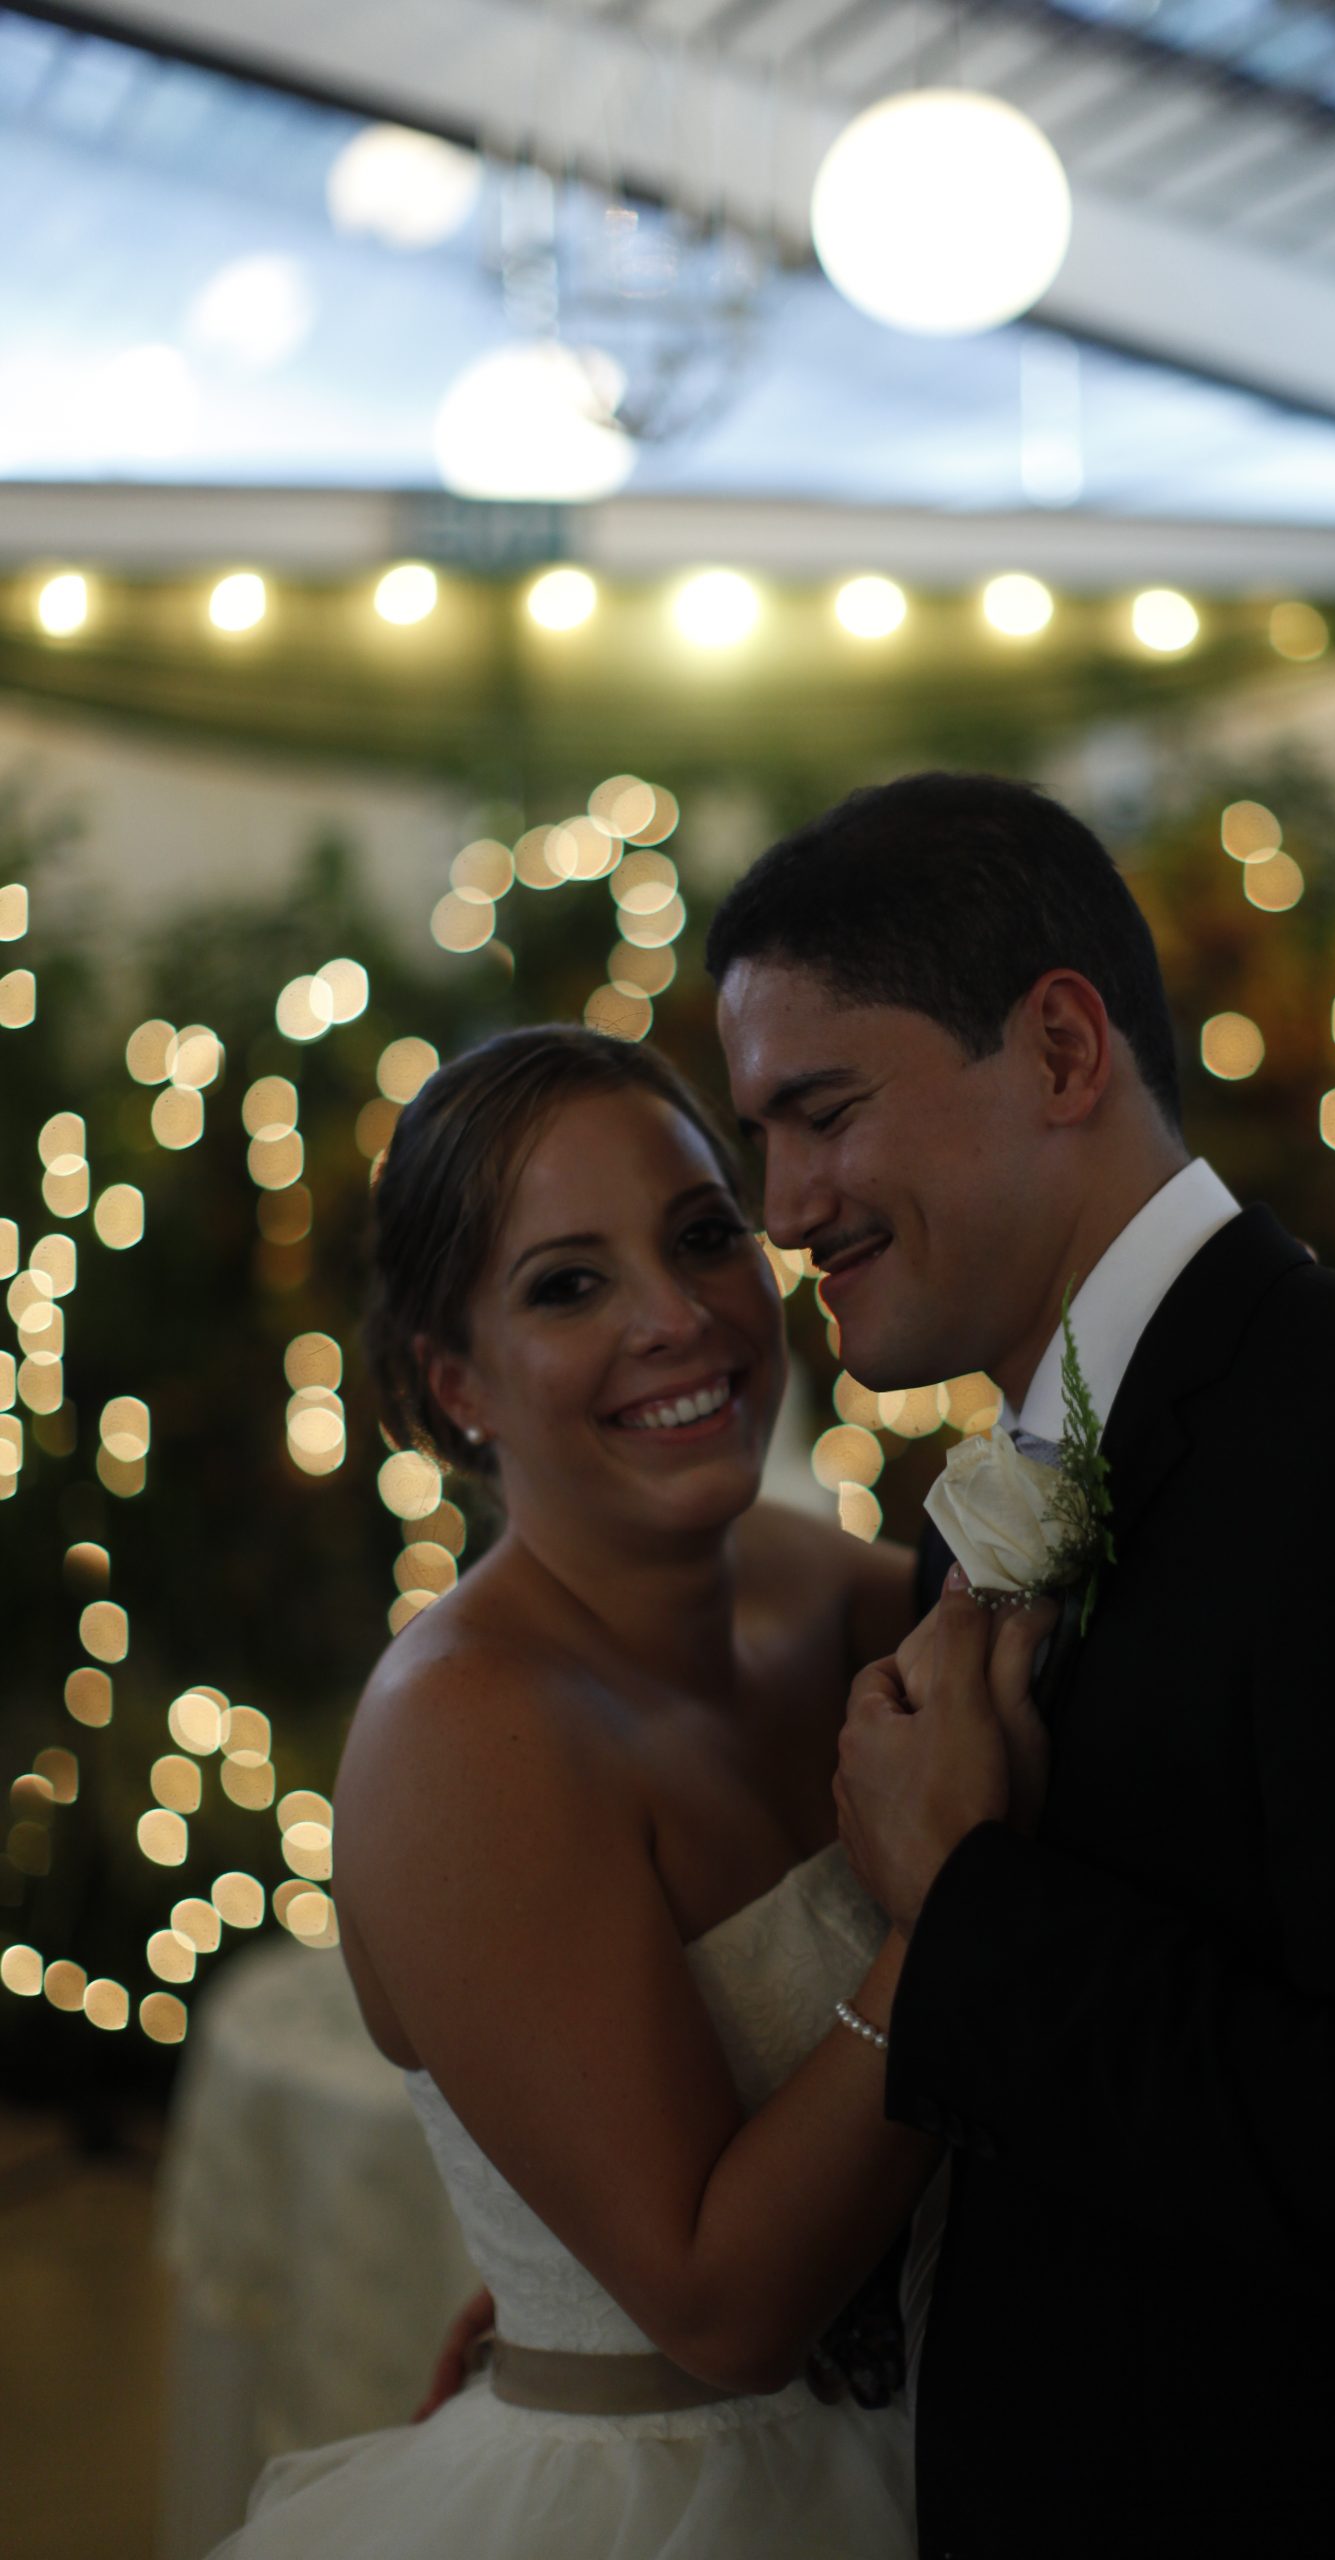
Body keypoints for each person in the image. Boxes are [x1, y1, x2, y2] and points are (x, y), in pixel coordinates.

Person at [708, 768, 1335, 2560]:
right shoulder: (985, 1506)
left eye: (822, 1112)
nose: (783, 1203)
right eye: (760, 1140)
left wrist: (973, 1905)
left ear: (1065, 1050)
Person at [211, 1023, 1052, 2560]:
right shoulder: (468, 1738)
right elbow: (723, 2309)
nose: (679, 1317)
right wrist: (948, 1928)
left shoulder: (821, 1589)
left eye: (704, 1236)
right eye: (568, 1284)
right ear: (453, 1382)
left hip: (967, 2439)